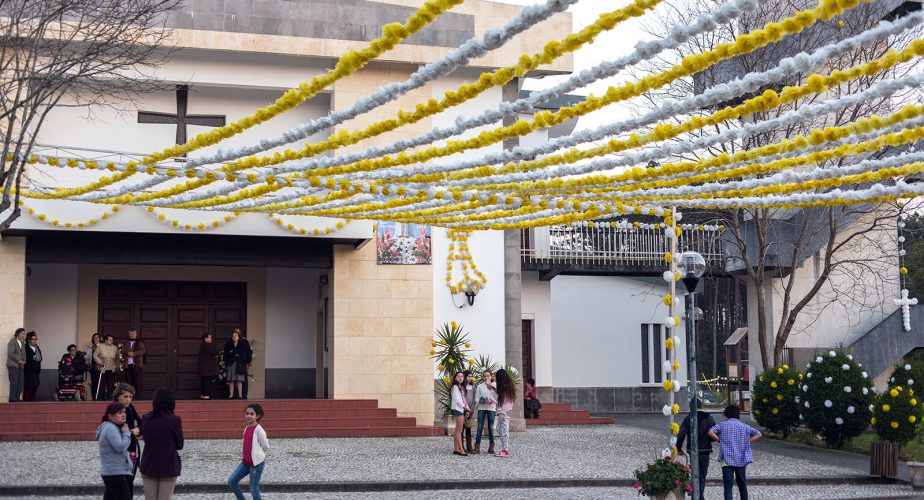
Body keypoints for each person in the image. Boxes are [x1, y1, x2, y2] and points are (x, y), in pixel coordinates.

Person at [708, 404, 762, 500]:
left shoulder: (722, 425)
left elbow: (711, 432)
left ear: (726, 415)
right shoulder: (745, 426)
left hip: (726, 460)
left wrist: (719, 440)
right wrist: (748, 441)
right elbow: (759, 434)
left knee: (728, 487)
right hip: (741, 460)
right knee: (742, 484)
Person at [140, 387, 184, 500]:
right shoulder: (174, 420)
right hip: (168, 463)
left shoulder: (145, 418)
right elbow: (180, 444)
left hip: (149, 462)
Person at [677, 397, 717, 499]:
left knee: (695, 475)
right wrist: (710, 440)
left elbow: (681, 434)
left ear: (691, 406)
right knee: (702, 476)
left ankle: (696, 497)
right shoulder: (709, 418)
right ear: (702, 405)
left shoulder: (688, 418)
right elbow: (715, 433)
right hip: (705, 451)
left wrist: (679, 447)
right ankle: (700, 496)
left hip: (693, 451)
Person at [228, 403, 270, 500]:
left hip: (256, 464)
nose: (248, 416)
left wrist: (257, 455)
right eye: (247, 413)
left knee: (254, 489)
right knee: (232, 481)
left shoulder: (259, 430)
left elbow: (266, 446)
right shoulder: (247, 428)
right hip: (245, 463)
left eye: (252, 414)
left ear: (257, 416)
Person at [96, 401, 133, 500]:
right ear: (110, 416)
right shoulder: (110, 428)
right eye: (119, 412)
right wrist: (126, 433)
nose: (123, 414)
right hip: (115, 473)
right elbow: (120, 447)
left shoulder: (111, 427)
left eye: (124, 412)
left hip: (112, 472)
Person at [113, 384, 142, 495]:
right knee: (120, 485)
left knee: (129, 482)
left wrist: (138, 429)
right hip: (119, 450)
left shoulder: (130, 408)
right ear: (118, 396)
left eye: (130, 397)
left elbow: (140, 423)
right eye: (125, 397)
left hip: (131, 448)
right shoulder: (113, 409)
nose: (128, 400)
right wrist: (129, 432)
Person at [474, 369, 497, 454]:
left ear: (491, 376)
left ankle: (491, 446)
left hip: (491, 408)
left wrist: (492, 400)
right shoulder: (480, 386)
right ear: (483, 377)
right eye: (485, 376)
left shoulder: (495, 385)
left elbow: (498, 399)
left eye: (488, 375)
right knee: (479, 427)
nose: (486, 377)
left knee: (490, 427)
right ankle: (477, 446)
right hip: (482, 408)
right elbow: (476, 398)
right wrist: (479, 401)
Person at [494, 368, 516, 458]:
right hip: (502, 411)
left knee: (503, 429)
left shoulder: (503, 389)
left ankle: (505, 450)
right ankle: (504, 448)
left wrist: (491, 398)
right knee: (500, 428)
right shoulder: (507, 387)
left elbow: (499, 401)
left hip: (502, 412)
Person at [223, 331, 251, 399]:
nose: (234, 337)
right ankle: (231, 395)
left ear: (238, 337)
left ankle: (240, 395)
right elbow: (226, 354)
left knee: (239, 379)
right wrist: (232, 356)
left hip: (240, 364)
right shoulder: (228, 345)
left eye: (236, 335)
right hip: (231, 363)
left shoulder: (242, 344)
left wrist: (246, 362)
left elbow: (244, 353)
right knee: (231, 380)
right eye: (233, 335)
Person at [449, 371, 470, 456]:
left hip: (462, 409)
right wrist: (465, 408)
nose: (461, 378)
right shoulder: (455, 387)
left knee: (457, 430)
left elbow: (464, 399)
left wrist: (467, 408)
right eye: (458, 376)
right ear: (455, 378)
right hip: (458, 409)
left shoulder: (461, 387)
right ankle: (461, 449)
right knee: (459, 430)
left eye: (462, 376)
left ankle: (456, 449)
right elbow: (457, 400)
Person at [94, 335, 119, 400]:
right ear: (105, 340)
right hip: (102, 368)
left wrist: (117, 366)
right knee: (101, 384)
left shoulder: (115, 348)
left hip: (111, 368)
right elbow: (95, 355)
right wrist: (99, 362)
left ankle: (111, 398)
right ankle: (99, 398)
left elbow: (117, 358)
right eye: (110, 340)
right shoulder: (100, 347)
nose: (111, 341)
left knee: (111, 385)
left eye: (112, 340)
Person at [197, 332, 220, 399]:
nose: (211, 339)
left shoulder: (203, 345)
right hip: (207, 368)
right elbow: (215, 352)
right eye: (209, 337)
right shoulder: (207, 345)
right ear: (205, 338)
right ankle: (206, 395)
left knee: (204, 381)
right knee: (207, 381)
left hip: (205, 368)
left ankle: (203, 394)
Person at [124, 328, 146, 399]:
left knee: (137, 382)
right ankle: (130, 396)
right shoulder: (126, 343)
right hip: (128, 365)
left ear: (136, 334)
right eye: (131, 333)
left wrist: (134, 353)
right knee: (129, 381)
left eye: (134, 333)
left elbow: (143, 351)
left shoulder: (140, 343)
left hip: (137, 365)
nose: (132, 335)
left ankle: (138, 396)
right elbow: (123, 350)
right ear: (129, 334)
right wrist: (128, 353)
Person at [6, 328, 26, 402]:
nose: (24, 335)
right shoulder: (12, 342)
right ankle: (12, 398)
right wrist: (18, 360)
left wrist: (24, 361)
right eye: (22, 334)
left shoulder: (22, 343)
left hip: (20, 366)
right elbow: (10, 353)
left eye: (24, 334)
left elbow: (24, 354)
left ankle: (17, 398)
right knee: (14, 382)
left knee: (20, 382)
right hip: (13, 365)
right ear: (18, 334)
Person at [23, 331, 43, 401]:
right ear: (29, 340)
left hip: (36, 370)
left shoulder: (37, 348)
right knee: (28, 386)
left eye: (36, 339)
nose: (35, 340)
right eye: (33, 339)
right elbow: (27, 358)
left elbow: (40, 358)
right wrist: (33, 358)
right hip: (28, 370)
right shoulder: (26, 347)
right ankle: (28, 399)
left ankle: (33, 398)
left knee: (36, 385)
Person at [462, 370, 476, 453]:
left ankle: (469, 446)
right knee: (461, 428)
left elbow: (474, 399)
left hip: (470, 411)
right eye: (468, 376)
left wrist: (471, 410)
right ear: (465, 377)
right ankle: (461, 446)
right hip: (463, 409)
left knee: (468, 428)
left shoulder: (473, 387)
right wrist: (465, 409)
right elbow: (462, 399)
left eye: (471, 376)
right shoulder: (462, 387)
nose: (470, 378)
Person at [88, 333, 102, 400]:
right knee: (93, 383)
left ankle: (99, 397)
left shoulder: (102, 346)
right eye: (94, 337)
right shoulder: (90, 347)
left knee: (100, 383)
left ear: (100, 339)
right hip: (92, 367)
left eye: (97, 337)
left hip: (100, 368)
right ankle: (94, 397)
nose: (96, 339)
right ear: (93, 339)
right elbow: (87, 357)